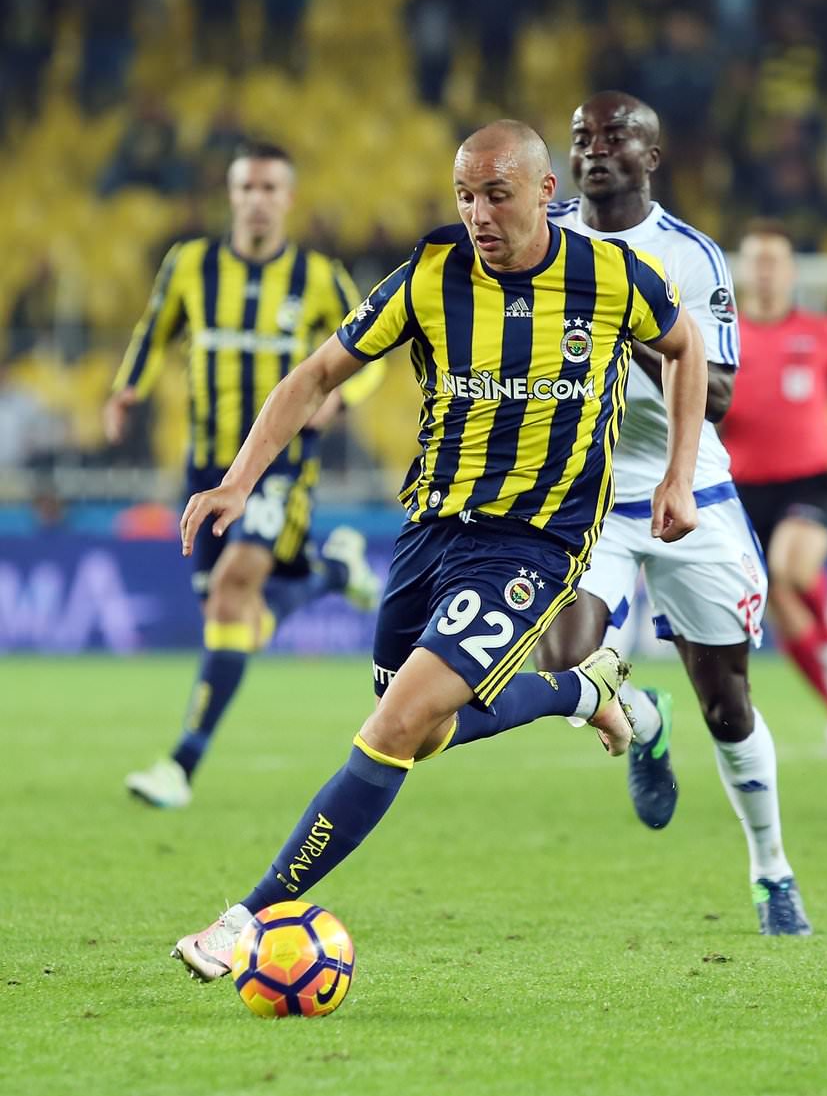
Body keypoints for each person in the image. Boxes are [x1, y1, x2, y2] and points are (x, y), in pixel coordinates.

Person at [171, 119, 709, 980]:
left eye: (496, 194)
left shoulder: (609, 276)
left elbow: (685, 348)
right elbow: (317, 373)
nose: (478, 214)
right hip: (431, 530)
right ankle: (583, 690)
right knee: (422, 734)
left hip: (535, 541)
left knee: (392, 725)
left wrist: (678, 476)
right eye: (464, 196)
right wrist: (239, 480)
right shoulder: (432, 273)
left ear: (545, 192)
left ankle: (245, 919)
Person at [537, 92, 811, 937]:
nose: (595, 150)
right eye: (582, 138)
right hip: (590, 497)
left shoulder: (690, 256)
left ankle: (771, 868)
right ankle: (645, 721)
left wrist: (629, 323)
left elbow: (718, 394)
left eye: (615, 138)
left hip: (691, 489)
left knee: (727, 704)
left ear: (651, 158)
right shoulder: (542, 240)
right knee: (561, 663)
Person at [107, 141, 384, 809]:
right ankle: (332, 573)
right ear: (231, 195)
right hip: (206, 462)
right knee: (233, 619)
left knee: (234, 590)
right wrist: (126, 389)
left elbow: (372, 347)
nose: (257, 200)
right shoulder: (189, 264)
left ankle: (181, 764)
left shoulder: (320, 276)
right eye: (246, 188)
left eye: (269, 188)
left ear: (288, 198)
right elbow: (153, 330)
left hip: (280, 464)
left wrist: (341, 397)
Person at [723, 220, 827, 756]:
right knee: (778, 602)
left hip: (808, 481)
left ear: (791, 271)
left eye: (775, 261)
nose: (765, 271)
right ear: (742, 270)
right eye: (756, 260)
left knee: (792, 566)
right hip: (742, 490)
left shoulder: (823, 332)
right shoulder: (722, 334)